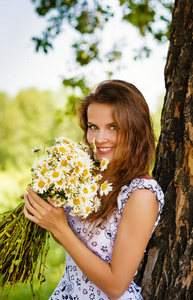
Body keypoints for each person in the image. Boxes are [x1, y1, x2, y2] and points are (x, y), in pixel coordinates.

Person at [23, 80, 164, 300]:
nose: (99, 139)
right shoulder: (86, 173)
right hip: (67, 293)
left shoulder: (141, 194)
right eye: (93, 127)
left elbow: (116, 286)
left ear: (135, 129)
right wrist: (45, 214)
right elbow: (76, 239)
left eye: (113, 127)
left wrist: (59, 227)